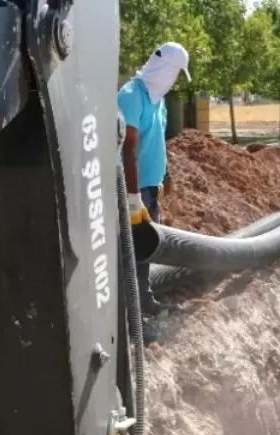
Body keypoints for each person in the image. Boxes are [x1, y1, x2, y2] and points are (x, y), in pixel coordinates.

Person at [117, 42, 191, 323]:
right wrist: (132, 198)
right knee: (129, 248)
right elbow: (127, 149)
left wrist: (165, 175)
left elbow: (158, 141)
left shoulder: (158, 100)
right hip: (128, 189)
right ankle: (127, 313)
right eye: (175, 74)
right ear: (164, 69)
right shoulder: (131, 97)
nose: (174, 81)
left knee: (146, 249)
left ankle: (143, 299)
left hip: (149, 187)